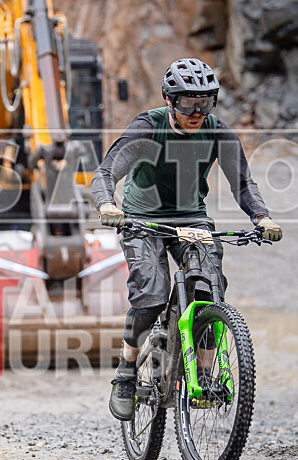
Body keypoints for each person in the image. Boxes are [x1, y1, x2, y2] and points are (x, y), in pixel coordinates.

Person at [91, 58, 283, 421]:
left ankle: (207, 376)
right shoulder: (148, 127)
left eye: (205, 103)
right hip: (142, 219)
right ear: (169, 101)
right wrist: (107, 203)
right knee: (151, 293)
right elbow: (106, 172)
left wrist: (262, 216)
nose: (197, 112)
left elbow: (242, 182)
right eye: (187, 103)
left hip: (191, 219)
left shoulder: (218, 132)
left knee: (208, 291)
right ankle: (127, 372)